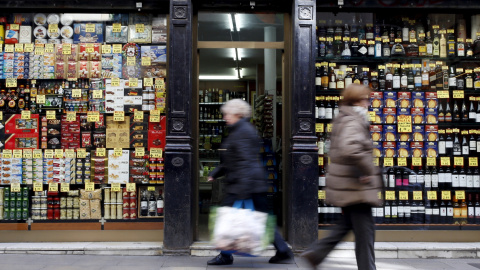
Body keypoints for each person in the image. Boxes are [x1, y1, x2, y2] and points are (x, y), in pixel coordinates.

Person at [301, 84, 382, 270]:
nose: (368, 103)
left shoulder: (344, 117)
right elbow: (350, 148)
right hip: (355, 185)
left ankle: (316, 254)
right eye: (366, 99)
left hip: (349, 185)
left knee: (347, 226)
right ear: (357, 100)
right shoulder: (353, 120)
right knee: (365, 233)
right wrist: (367, 169)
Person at [207, 98, 294, 265]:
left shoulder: (243, 132)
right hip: (250, 182)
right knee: (262, 218)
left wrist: (242, 189)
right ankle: (283, 251)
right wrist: (216, 172)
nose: (225, 117)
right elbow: (234, 158)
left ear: (238, 114)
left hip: (244, 183)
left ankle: (225, 255)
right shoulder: (240, 130)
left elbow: (245, 161)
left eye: (227, 114)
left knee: (227, 217)